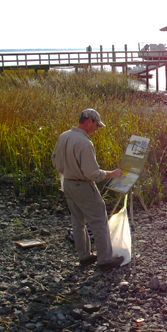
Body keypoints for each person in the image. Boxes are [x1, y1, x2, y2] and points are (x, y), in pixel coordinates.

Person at [52, 108, 124, 270]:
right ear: (89, 121)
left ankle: (84, 257)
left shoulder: (63, 136)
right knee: (99, 219)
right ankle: (105, 259)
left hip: (67, 184)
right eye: (97, 125)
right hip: (82, 185)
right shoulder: (84, 143)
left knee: (77, 221)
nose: (97, 129)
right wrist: (112, 173)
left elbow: (55, 162)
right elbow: (91, 174)